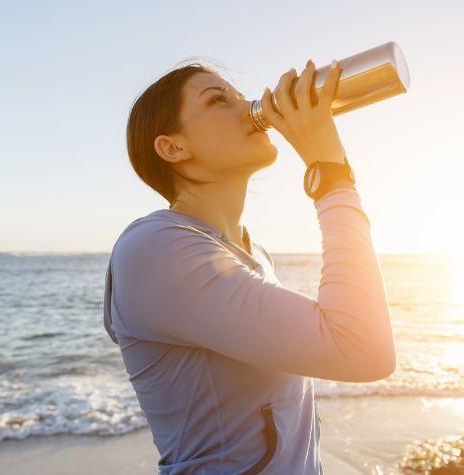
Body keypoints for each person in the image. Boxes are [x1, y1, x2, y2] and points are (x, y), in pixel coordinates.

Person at [103, 57, 396, 474]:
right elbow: (362, 349)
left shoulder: (251, 254)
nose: (249, 107)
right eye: (219, 99)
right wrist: (328, 170)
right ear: (173, 147)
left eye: (242, 96)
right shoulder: (153, 248)